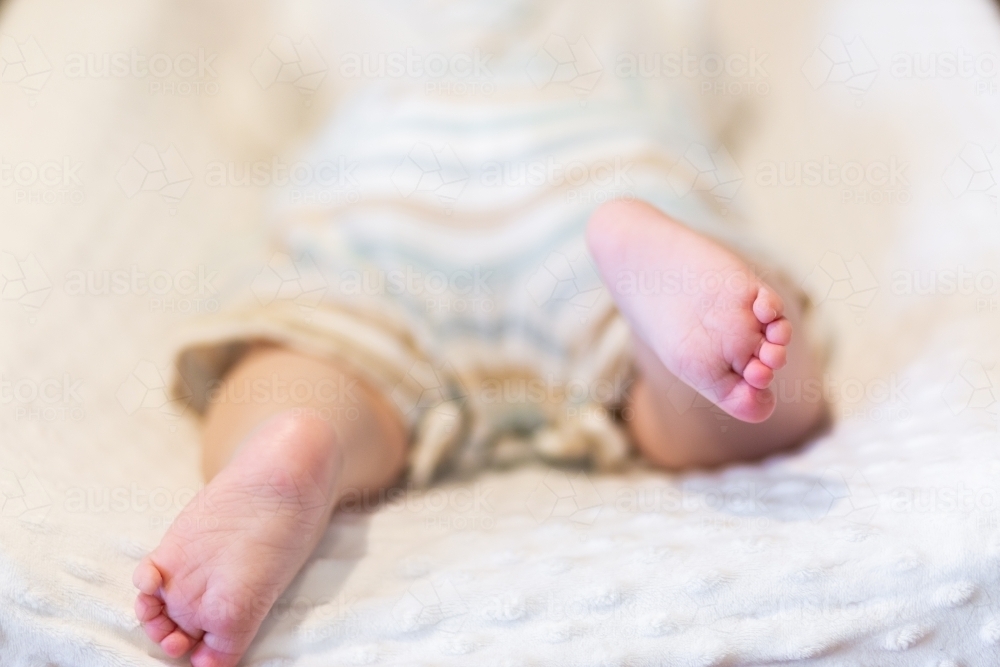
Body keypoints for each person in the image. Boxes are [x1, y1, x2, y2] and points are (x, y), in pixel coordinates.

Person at [132, 2, 828, 664]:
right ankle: (653, 287)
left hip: (386, 175)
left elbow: (257, 113)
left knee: (319, 342)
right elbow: (710, 96)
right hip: (597, 159)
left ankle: (295, 437)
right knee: (732, 377)